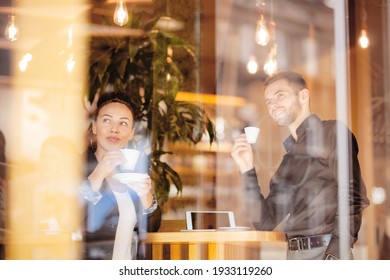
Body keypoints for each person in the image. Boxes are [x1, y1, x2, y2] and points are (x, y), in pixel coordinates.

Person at [231, 71, 370, 260]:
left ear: (303, 96)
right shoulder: (288, 161)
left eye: (280, 95)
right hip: (294, 256)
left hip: (327, 255)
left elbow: (354, 196)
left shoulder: (331, 133)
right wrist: (247, 168)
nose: (273, 105)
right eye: (268, 101)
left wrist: (336, 254)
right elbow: (265, 222)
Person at [80, 91, 161, 260]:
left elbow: (152, 227)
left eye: (123, 123)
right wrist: (97, 174)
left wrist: (146, 196)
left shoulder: (134, 171)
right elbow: (69, 220)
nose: (114, 129)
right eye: (107, 120)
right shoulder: (76, 167)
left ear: (131, 133)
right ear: (94, 127)